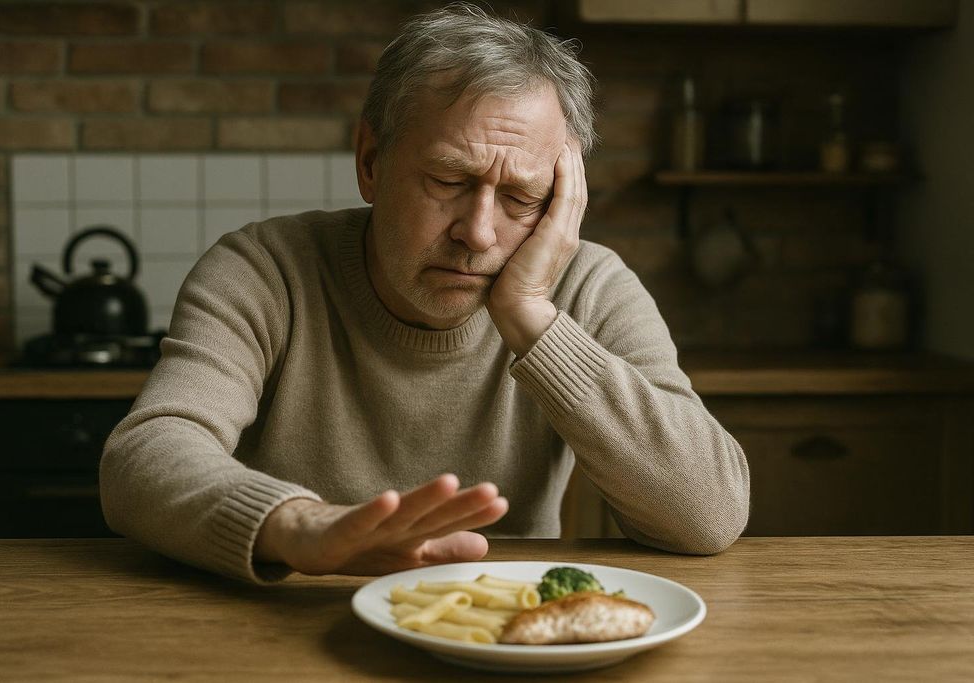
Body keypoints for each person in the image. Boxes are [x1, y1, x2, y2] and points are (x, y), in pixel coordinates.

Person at [100, 3, 750, 584]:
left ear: (563, 199)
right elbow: (144, 458)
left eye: (522, 197)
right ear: (370, 162)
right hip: (288, 625)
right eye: (447, 179)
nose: (478, 232)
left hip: (500, 632)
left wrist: (532, 319)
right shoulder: (264, 270)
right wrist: (304, 528)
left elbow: (710, 512)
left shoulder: (591, 284)